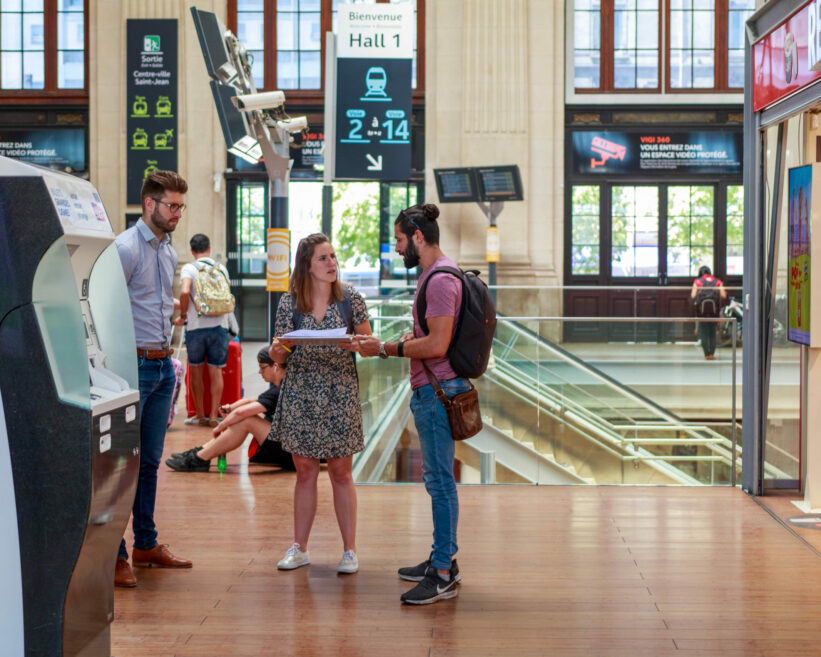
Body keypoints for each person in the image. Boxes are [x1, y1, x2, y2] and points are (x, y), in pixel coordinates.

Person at [354, 203, 469, 605]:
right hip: (433, 389)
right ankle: (442, 559)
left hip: (436, 393)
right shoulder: (433, 276)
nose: (398, 247)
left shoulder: (438, 280)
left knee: (440, 483)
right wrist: (408, 337)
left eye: (400, 240)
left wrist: (386, 347)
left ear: (418, 237)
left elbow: (437, 344)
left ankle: (441, 574)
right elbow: (434, 335)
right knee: (438, 481)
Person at [268, 233, 372, 575]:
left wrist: (354, 343)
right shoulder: (290, 304)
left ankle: (350, 551)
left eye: (332, 257)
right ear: (307, 266)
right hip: (301, 392)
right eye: (323, 258)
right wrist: (277, 350)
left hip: (339, 390)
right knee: (305, 472)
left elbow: (367, 340)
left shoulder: (351, 298)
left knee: (341, 472)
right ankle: (299, 548)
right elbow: (278, 354)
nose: (332, 264)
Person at [113, 170, 192, 588]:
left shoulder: (166, 251)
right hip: (134, 367)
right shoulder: (126, 249)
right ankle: (115, 554)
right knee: (121, 466)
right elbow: (103, 307)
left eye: (181, 205)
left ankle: (145, 543)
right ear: (149, 204)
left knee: (147, 464)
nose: (178, 212)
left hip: (162, 368)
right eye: (172, 205)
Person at [164, 347, 292, 472]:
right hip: (290, 448)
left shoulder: (280, 390)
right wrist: (231, 407)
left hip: (291, 453)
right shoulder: (286, 385)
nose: (259, 372)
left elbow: (242, 412)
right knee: (245, 418)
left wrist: (221, 426)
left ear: (275, 366)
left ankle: (199, 458)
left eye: (262, 367)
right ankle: (200, 452)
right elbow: (252, 400)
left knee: (247, 420)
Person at [174, 233, 231, 427]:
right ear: (209, 248)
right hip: (220, 326)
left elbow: (184, 291)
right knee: (216, 372)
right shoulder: (221, 268)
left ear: (191, 250)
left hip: (196, 328)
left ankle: (199, 415)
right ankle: (214, 416)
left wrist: (183, 315)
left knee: (196, 372)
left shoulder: (189, 268)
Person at [691, 265, 727, 360]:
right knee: (712, 331)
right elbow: (723, 295)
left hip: (702, 312)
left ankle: (706, 354)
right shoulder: (717, 281)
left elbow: (693, 295)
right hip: (714, 311)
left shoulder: (698, 281)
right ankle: (712, 353)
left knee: (703, 331)